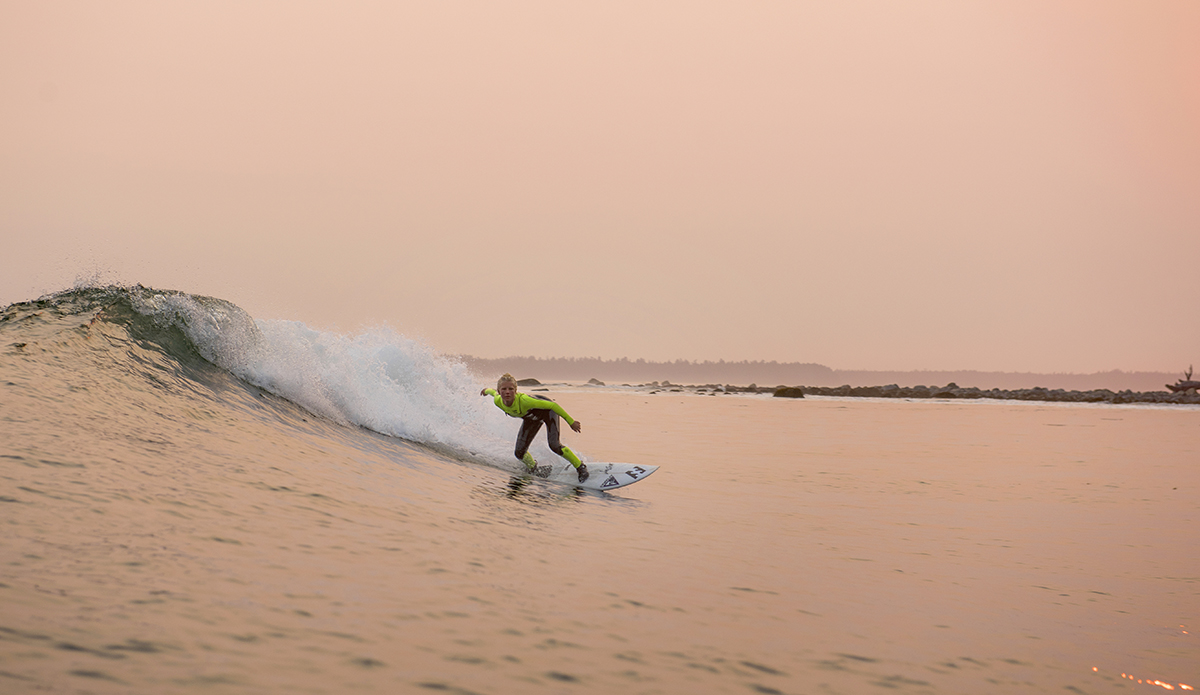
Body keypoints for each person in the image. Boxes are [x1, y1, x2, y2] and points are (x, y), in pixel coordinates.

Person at [481, 373, 589, 482]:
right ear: (499, 391)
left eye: (511, 389)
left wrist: (571, 422)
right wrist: (486, 391)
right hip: (531, 418)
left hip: (549, 413)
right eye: (504, 389)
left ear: (516, 390)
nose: (507, 392)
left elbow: (553, 406)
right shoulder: (497, 401)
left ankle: (580, 467)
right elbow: (492, 392)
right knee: (519, 453)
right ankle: (533, 468)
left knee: (554, 445)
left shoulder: (525, 401)